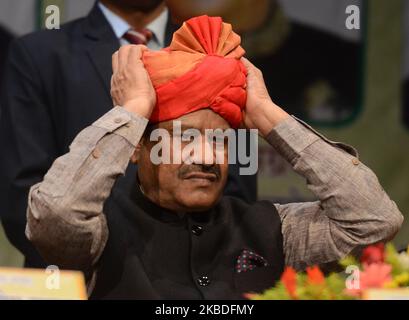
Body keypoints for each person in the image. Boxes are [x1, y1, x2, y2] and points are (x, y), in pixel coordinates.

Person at [26, 16, 403, 299]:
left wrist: (270, 117)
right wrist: (135, 109)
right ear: (137, 146)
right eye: (184, 139)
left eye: (221, 142)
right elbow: (55, 214)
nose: (206, 157)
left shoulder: (275, 229)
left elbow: (374, 221)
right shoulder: (98, 233)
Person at [0, 0, 255, 269]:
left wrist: (186, 274)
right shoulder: (39, 53)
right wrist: (111, 273)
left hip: (200, 278)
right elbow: (22, 196)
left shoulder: (218, 50)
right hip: (79, 277)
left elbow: (238, 189)